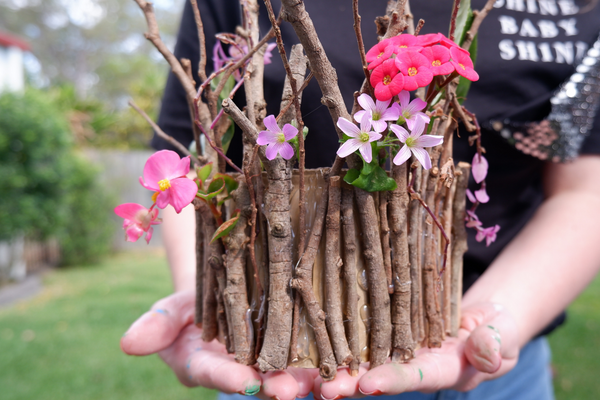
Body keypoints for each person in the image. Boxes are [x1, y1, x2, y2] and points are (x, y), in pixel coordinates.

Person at [120, 1, 600, 399]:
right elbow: (192, 159)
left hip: (479, 345)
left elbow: (585, 190)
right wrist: (208, 298)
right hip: (271, 339)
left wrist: (503, 312)